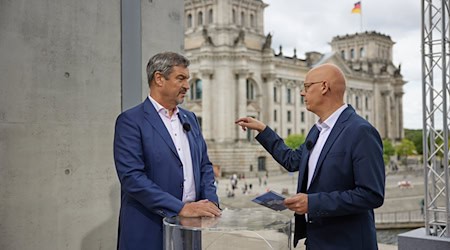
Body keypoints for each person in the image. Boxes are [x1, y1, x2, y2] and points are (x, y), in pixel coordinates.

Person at [235, 63, 385, 249]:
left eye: (306, 87)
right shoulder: (317, 130)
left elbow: (371, 195)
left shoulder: (361, 131)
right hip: (316, 242)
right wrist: (263, 130)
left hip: (347, 243)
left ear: (324, 87)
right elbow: (291, 161)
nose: (302, 93)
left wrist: (312, 202)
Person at [114, 51, 221, 250]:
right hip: (149, 229)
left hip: (190, 229)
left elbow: (204, 165)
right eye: (181, 78)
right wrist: (181, 208)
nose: (187, 86)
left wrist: (211, 203)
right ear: (159, 79)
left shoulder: (190, 119)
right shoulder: (131, 121)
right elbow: (132, 177)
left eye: (188, 79)